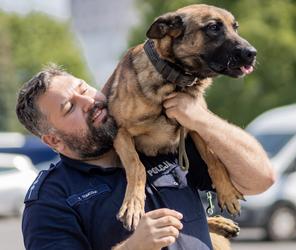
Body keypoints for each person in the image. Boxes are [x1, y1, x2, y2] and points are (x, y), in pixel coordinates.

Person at [16, 64, 275, 250]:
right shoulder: (51, 200)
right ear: (54, 140)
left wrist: (202, 119)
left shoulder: (159, 143)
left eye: (84, 89)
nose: (88, 102)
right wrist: (133, 248)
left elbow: (260, 178)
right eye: (69, 107)